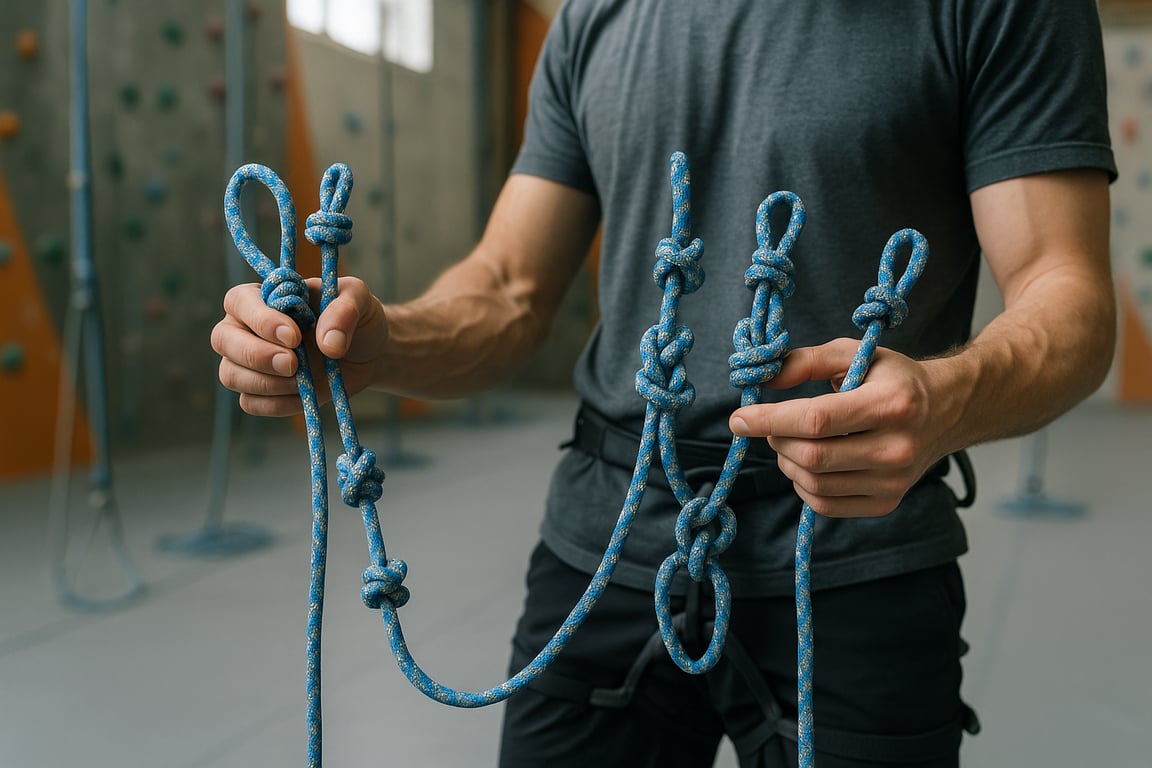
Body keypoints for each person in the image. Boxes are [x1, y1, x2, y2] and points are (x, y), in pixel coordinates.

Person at [211, 1, 1117, 766]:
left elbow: (1065, 292)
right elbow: (508, 288)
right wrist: (382, 341)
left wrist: (946, 398)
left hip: (853, 556)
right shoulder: (598, 18)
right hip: (604, 543)